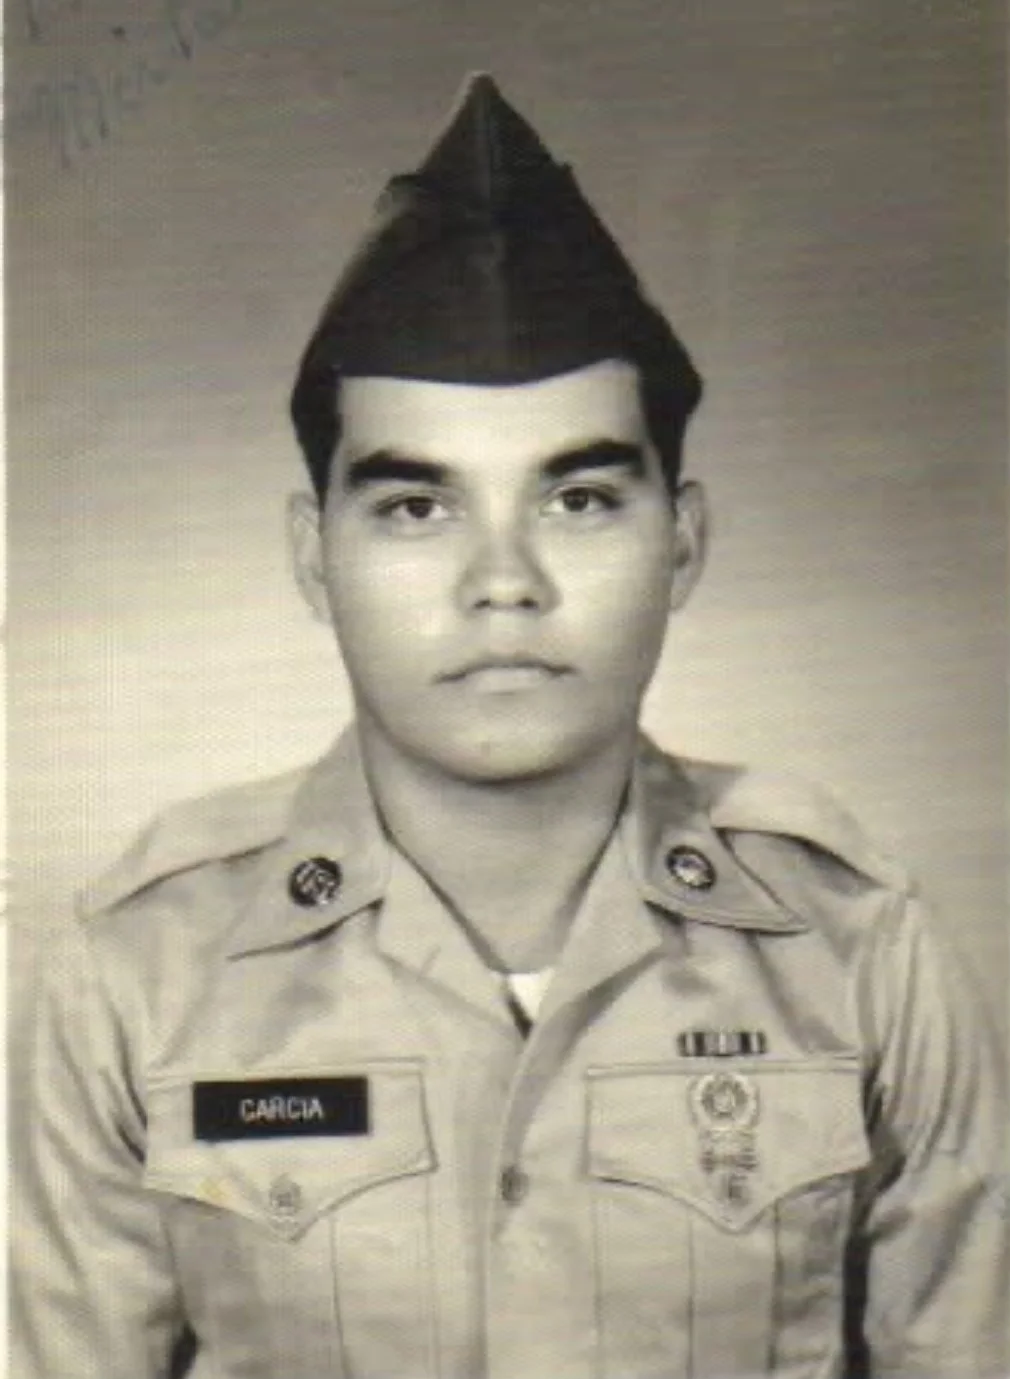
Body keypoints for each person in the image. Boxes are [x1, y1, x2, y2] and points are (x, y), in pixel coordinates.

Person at [13, 73, 1008, 1379]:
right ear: (316, 557)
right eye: (416, 506)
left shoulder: (856, 948)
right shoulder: (137, 977)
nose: (504, 579)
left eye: (580, 499)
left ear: (682, 540)